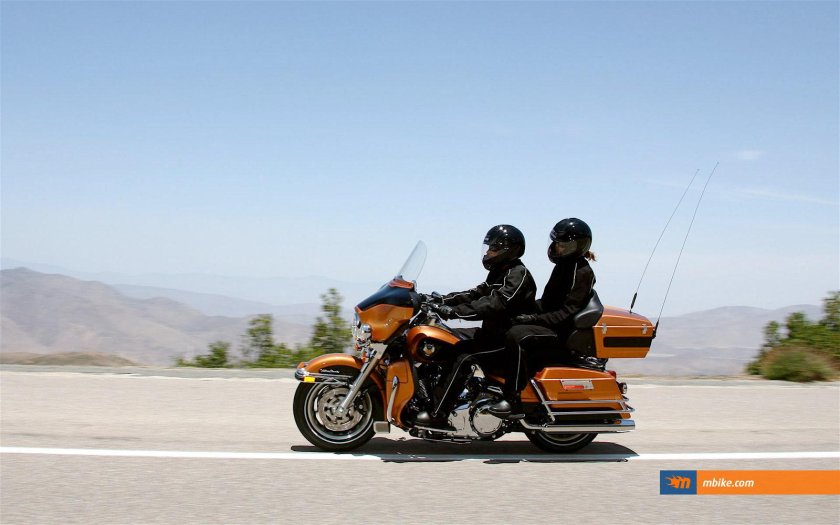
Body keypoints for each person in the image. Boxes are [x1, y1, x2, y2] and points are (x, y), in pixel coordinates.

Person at [415, 224, 537, 428]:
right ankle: (428, 392)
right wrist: (440, 300)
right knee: (442, 336)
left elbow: (495, 304)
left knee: (463, 356)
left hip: (504, 339)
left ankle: (438, 414)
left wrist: (454, 312)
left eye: (494, 248)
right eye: (488, 248)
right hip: (490, 333)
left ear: (510, 250)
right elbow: (476, 293)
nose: (488, 253)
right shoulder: (500, 272)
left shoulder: (518, 275)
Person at [487, 217, 606, 418]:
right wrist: (524, 310)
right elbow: (550, 302)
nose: (558, 248)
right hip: (553, 323)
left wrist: (531, 319)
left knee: (517, 336)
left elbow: (566, 312)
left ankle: (512, 398)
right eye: (557, 243)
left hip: (562, 330)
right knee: (504, 322)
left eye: (564, 244)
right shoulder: (565, 267)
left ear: (578, 245)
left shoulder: (582, 272)